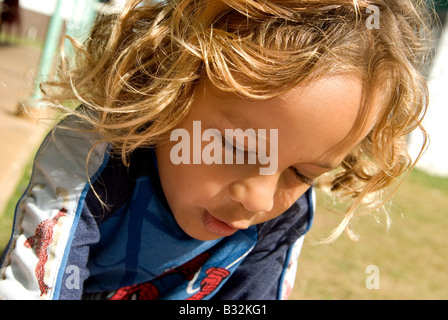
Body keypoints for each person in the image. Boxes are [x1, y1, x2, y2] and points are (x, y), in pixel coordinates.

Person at [0, 0, 433, 300]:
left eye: (301, 175)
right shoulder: (97, 148)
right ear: (168, 82)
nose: (260, 200)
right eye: (240, 148)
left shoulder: (284, 216)